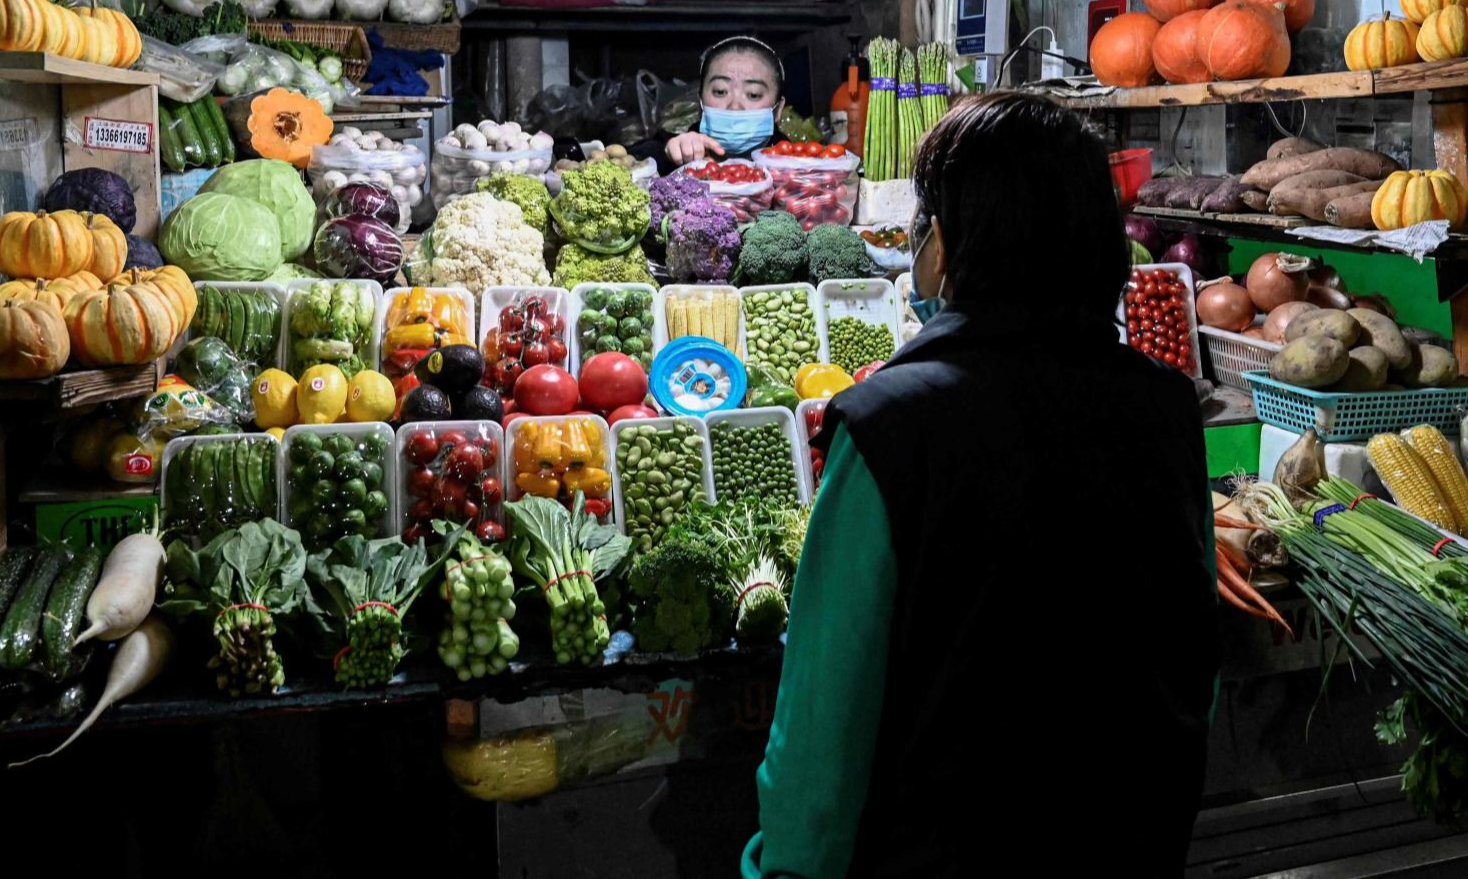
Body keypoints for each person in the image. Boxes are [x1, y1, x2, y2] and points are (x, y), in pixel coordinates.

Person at [742, 92, 1222, 878]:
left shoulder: (886, 426)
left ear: (944, 244)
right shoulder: (1165, 405)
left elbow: (824, 725)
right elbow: (1190, 656)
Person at [662, 36, 786, 168]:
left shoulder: (798, 169)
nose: (734, 107)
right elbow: (641, 156)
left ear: (777, 110)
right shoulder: (671, 151)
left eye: (753, 94)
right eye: (720, 92)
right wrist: (669, 154)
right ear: (700, 103)